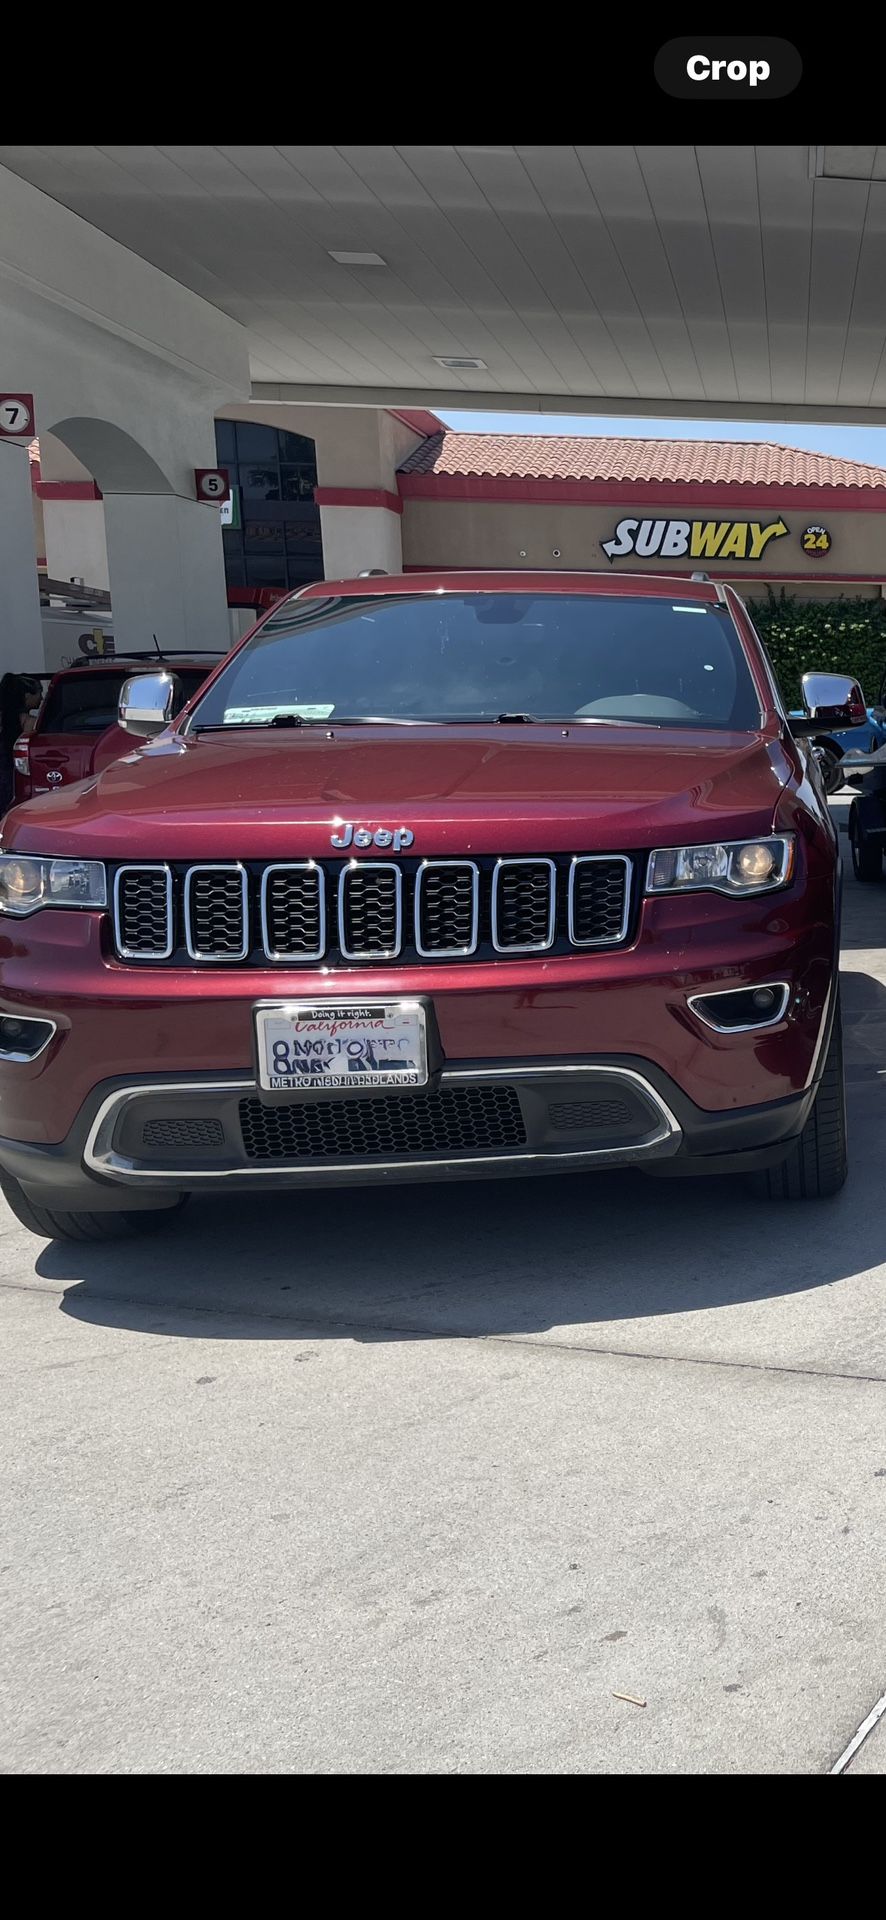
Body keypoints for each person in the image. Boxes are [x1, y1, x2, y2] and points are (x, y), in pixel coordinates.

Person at [0, 673, 41, 817]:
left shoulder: (5, 720)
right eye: (39, 693)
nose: (42, 698)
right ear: (27, 696)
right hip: (16, 775)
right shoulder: (31, 723)